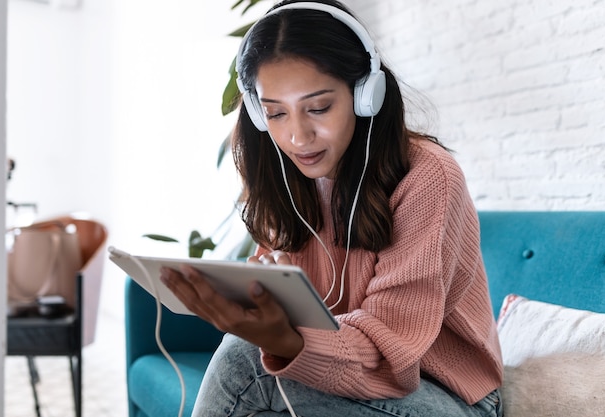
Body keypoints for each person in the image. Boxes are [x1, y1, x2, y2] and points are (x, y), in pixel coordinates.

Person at [160, 1, 504, 416]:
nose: (297, 136)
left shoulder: (427, 177)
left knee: (244, 362)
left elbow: (392, 358)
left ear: (366, 95)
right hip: (336, 380)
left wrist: (285, 341)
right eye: (275, 113)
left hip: (449, 395)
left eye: (319, 108)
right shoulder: (283, 176)